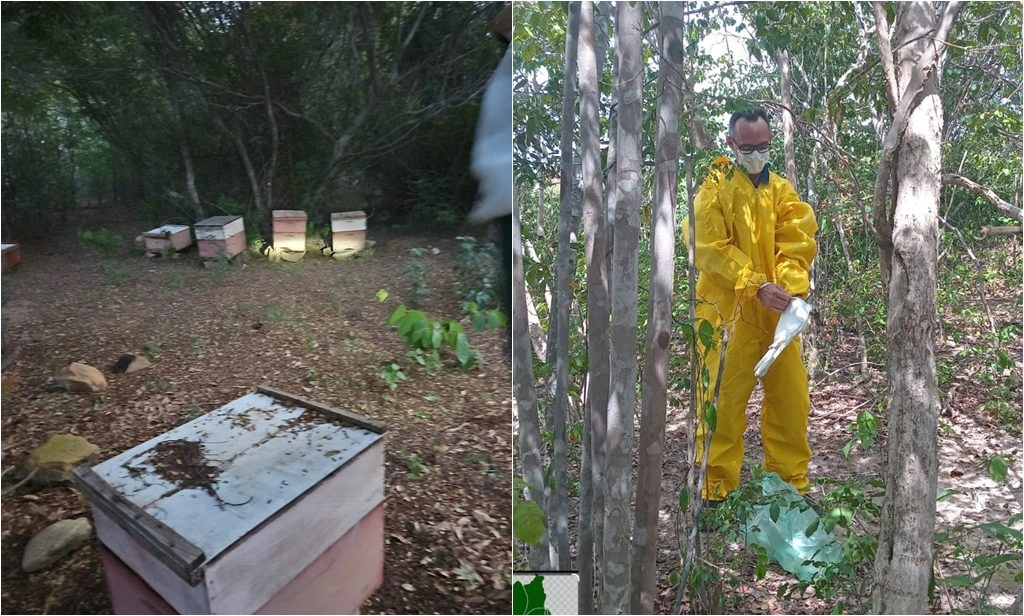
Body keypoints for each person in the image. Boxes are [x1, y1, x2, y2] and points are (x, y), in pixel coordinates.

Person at [688, 108, 818, 504]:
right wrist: (753, 284)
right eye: (748, 147)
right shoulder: (714, 187)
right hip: (728, 315)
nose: (757, 154)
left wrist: (790, 286)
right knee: (720, 403)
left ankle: (788, 488)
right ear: (731, 144)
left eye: (764, 146)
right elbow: (709, 248)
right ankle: (714, 489)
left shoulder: (780, 189)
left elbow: (796, 239)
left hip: (776, 317)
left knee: (791, 403)